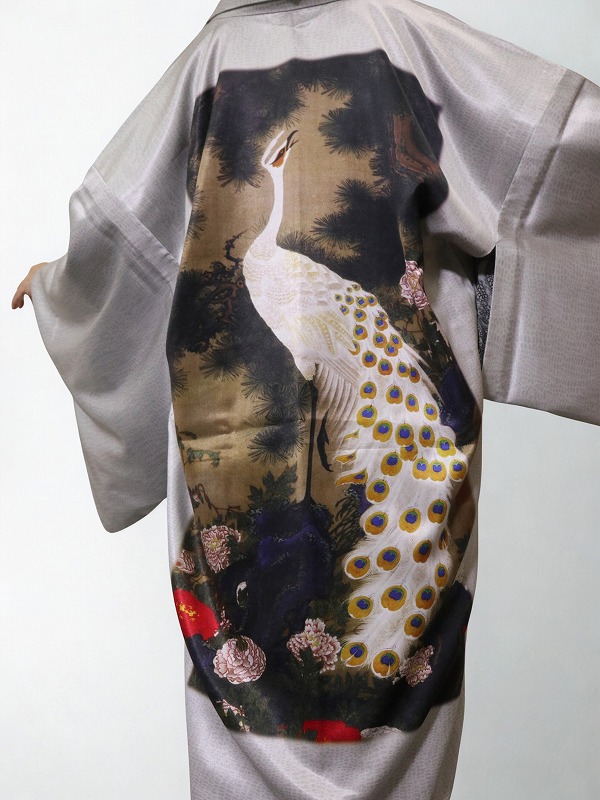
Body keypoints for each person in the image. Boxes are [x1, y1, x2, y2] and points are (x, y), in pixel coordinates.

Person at [11, 1, 600, 797]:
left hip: (371, 438)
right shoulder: (401, 37)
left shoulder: (218, 57)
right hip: (331, 444)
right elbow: (550, 156)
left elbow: (122, 246)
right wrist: (61, 282)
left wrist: (64, 287)